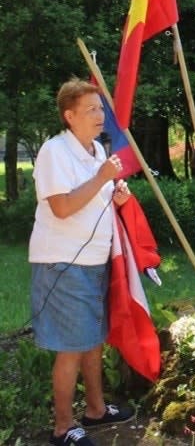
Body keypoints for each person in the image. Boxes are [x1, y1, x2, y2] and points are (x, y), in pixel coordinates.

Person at [29, 79, 135, 446]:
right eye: (91, 109)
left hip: (92, 263)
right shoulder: (54, 151)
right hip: (63, 264)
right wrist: (103, 177)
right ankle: (62, 427)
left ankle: (95, 410)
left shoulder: (93, 153)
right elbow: (61, 208)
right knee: (72, 346)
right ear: (69, 116)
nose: (100, 115)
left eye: (101, 108)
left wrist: (115, 195)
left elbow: (92, 200)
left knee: (92, 341)